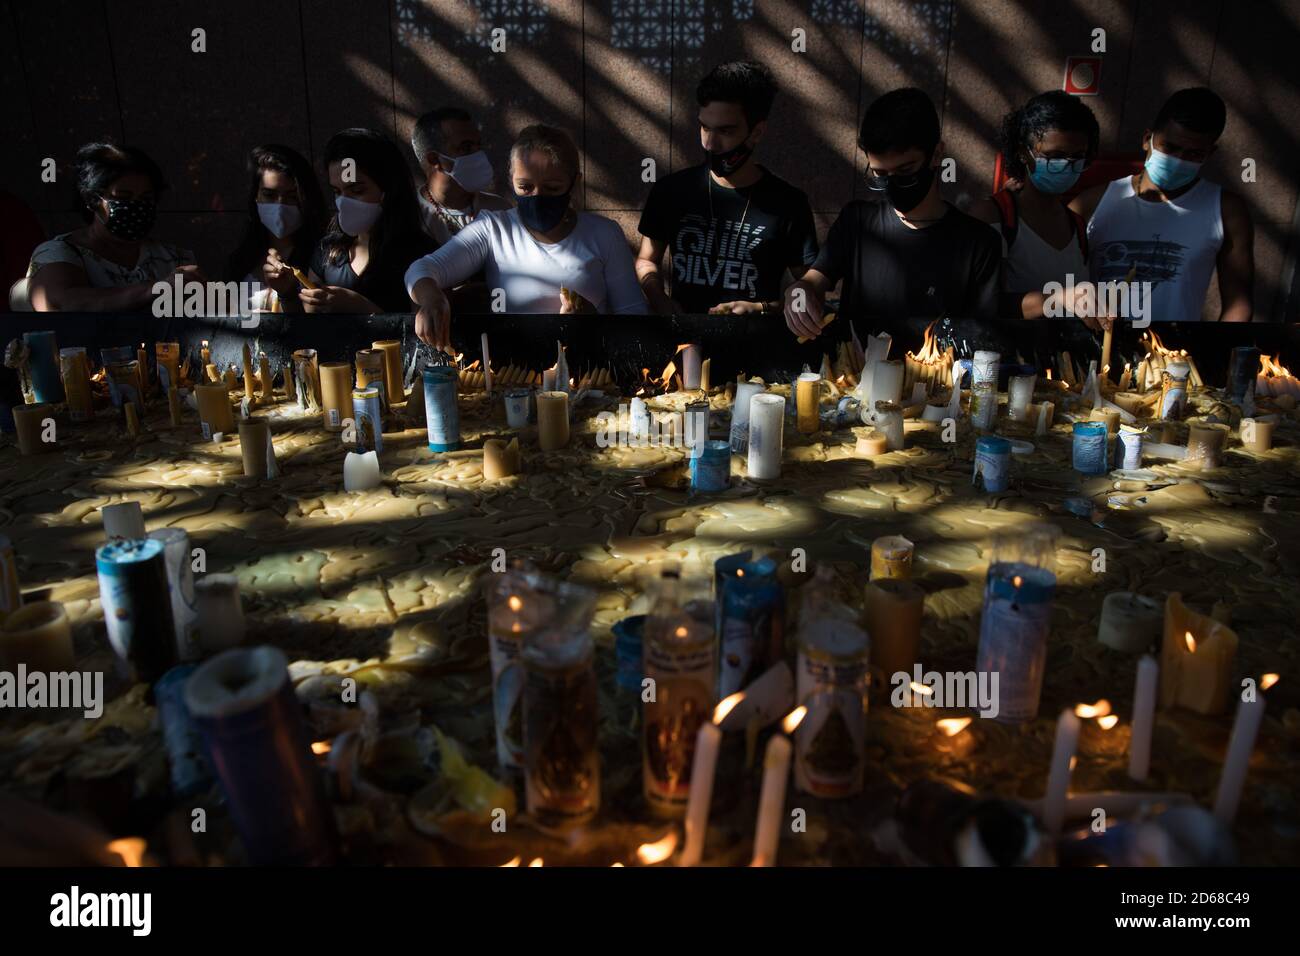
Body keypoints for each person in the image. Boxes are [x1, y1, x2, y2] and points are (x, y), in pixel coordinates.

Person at [784, 88, 1001, 338]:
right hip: (856, 373)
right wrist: (799, 291)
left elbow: (982, 338)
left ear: (937, 154)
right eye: (880, 174)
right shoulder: (857, 221)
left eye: (905, 170)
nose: (891, 184)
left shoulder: (978, 244)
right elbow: (815, 279)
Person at [407, 124, 647, 349]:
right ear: (512, 182)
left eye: (552, 188)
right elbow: (421, 270)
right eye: (525, 187)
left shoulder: (604, 233)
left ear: (574, 184)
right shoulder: (494, 228)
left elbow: (636, 316)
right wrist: (432, 299)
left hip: (591, 371)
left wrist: (594, 322)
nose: (537, 197)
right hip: (515, 373)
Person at [636, 61, 818, 316]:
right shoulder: (671, 191)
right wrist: (659, 300)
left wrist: (762, 309)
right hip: (685, 347)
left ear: (757, 132)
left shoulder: (789, 203)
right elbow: (646, 260)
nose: (710, 143)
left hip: (755, 347)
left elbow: (811, 291)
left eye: (726, 131)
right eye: (704, 127)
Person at [1070, 87, 1253, 323]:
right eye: (1171, 147)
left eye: (1193, 153)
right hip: (1095, 348)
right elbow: (1052, 275)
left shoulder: (1226, 210)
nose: (1179, 160)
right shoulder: (1092, 201)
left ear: (1210, 153)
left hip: (1171, 353)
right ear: (1148, 140)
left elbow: (1239, 304)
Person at [969, 91, 1103, 326]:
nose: (1066, 165)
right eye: (1055, 156)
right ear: (1023, 153)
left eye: (1077, 157)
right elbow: (979, 304)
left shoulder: (1078, 225)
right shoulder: (994, 216)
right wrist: (1054, 299)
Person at [272, 128, 433, 314]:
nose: (344, 202)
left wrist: (359, 306)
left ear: (389, 189)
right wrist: (287, 293)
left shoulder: (422, 256)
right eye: (337, 192)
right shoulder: (328, 251)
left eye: (356, 191)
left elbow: (424, 335)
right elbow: (307, 330)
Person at [26, 143, 199, 312]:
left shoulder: (173, 258)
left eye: (146, 198)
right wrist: (155, 290)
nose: (136, 206)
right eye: (123, 198)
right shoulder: (60, 254)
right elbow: (60, 302)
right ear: (91, 200)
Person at [226, 144, 326, 313]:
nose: (280, 205)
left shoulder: (323, 258)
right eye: (270, 195)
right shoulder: (240, 261)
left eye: (292, 196)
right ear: (255, 197)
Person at [411, 106, 512, 245]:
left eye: (479, 145)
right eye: (466, 147)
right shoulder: (407, 217)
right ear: (434, 160)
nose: (478, 154)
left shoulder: (500, 210)